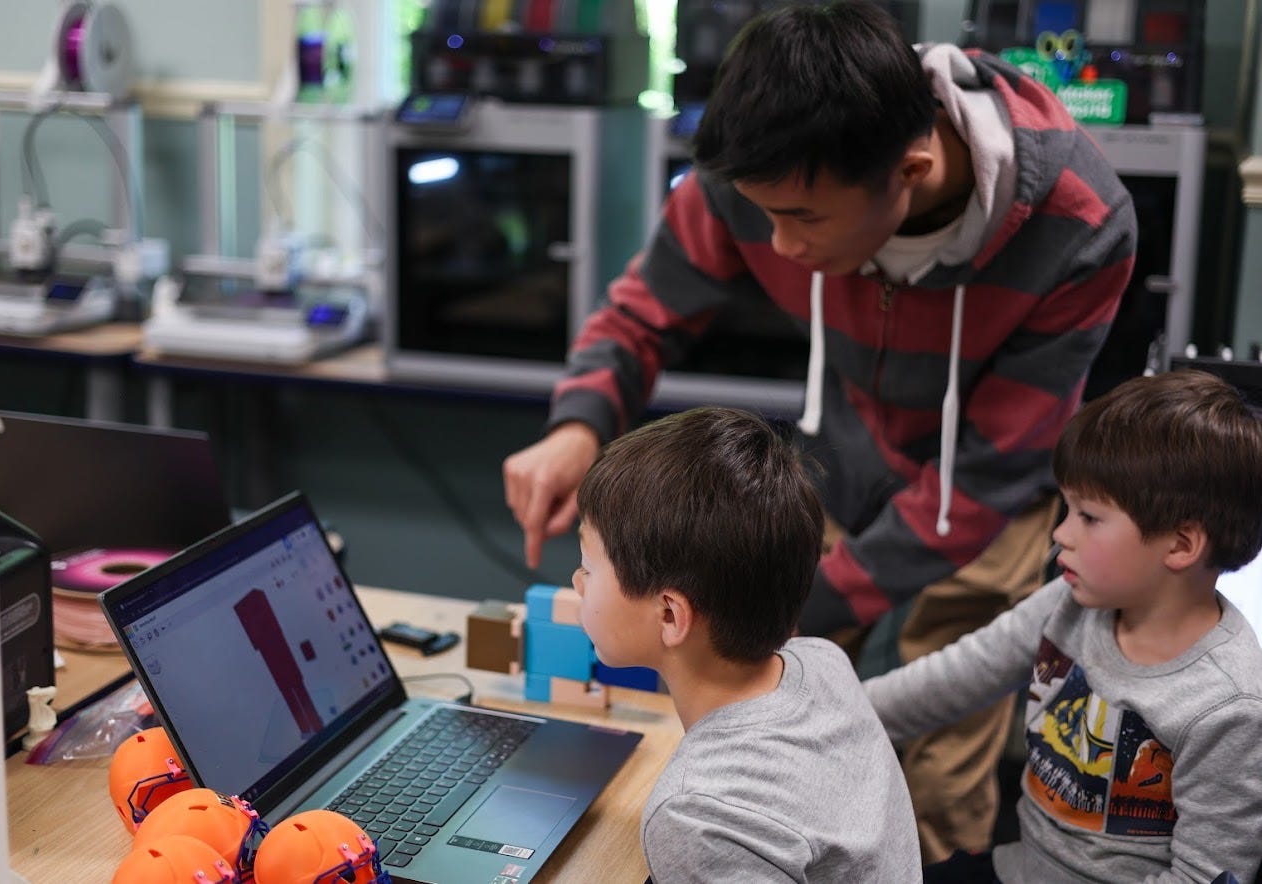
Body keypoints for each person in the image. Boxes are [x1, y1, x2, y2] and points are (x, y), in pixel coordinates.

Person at [503, 0, 1136, 858]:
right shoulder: (768, 161)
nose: (777, 245)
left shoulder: (1078, 221)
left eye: (802, 219)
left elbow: (989, 471)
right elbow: (638, 315)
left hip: (978, 507)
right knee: (754, 739)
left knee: (935, 788)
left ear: (909, 171)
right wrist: (577, 426)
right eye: (760, 214)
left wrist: (768, 600)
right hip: (830, 475)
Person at [865, 369, 1262, 883]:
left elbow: (1203, 874)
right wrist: (831, 713)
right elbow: (955, 678)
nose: (1059, 534)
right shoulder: (1070, 602)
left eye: (1089, 518)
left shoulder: (1229, 706)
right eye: (1066, 509)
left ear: (1181, 545)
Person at [572, 405, 921, 882]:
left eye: (589, 566)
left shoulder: (696, 815)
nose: (577, 582)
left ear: (671, 615)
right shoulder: (823, 662)